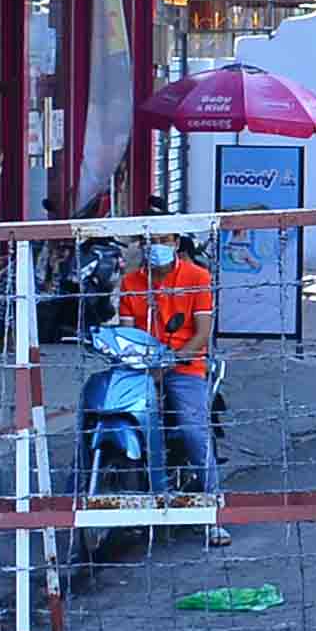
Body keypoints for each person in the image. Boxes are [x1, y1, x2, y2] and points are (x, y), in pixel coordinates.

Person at [116, 233, 229, 549]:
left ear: (176, 243)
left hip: (184, 366)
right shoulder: (131, 282)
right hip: (141, 368)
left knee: (193, 430)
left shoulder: (197, 277)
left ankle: (213, 513)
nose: (155, 246)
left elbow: (202, 334)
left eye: (162, 239)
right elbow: (126, 332)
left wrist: (169, 363)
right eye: (149, 240)